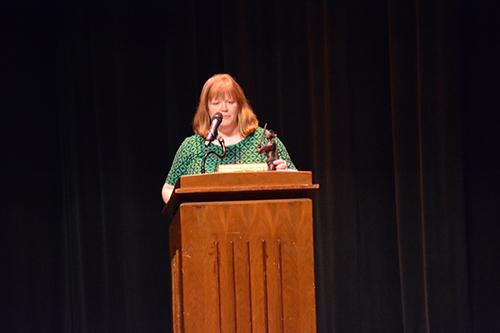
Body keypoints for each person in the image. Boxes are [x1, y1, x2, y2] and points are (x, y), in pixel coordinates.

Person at [161, 73, 296, 204]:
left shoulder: (265, 139)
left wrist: (284, 175)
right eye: (216, 103)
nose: (223, 108)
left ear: (239, 106)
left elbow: (296, 178)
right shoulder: (192, 146)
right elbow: (168, 188)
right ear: (206, 108)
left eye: (230, 102)